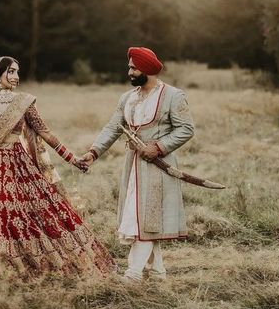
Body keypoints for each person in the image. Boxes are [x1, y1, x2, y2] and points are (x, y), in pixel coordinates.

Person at [0, 56, 114, 278]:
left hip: (19, 166)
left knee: (29, 214)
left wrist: (72, 159)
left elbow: (46, 134)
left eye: (17, 72)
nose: (16, 77)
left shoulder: (24, 102)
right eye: (11, 72)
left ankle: (29, 265)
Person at [79, 47, 195, 281]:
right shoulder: (127, 98)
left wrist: (159, 147)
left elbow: (186, 129)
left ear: (148, 69)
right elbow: (113, 127)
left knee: (147, 218)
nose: (129, 71)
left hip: (159, 168)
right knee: (138, 216)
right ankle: (158, 272)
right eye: (129, 67)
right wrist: (93, 153)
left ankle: (132, 274)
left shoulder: (174, 96)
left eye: (134, 67)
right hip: (133, 167)